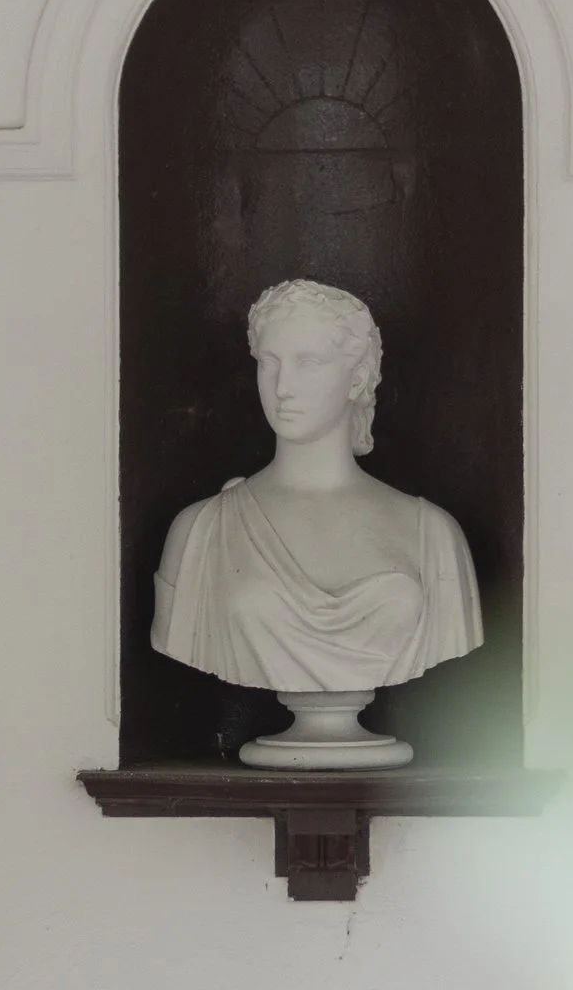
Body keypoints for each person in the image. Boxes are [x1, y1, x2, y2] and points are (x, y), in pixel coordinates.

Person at [150, 279, 482, 698]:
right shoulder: (200, 530)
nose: (282, 387)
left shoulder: (433, 533)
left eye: (308, 362)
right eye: (269, 362)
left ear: (358, 379)